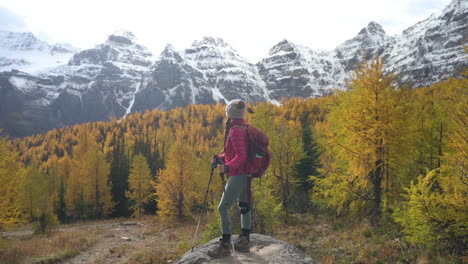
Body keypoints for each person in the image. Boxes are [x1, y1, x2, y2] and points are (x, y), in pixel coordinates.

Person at [207, 99, 252, 258]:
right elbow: (234, 153)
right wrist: (221, 158)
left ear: (230, 113)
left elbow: (242, 156)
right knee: (244, 205)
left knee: (222, 207)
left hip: (239, 173)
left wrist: (227, 167)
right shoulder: (243, 127)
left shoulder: (235, 131)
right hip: (246, 172)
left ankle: (225, 245)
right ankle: (244, 240)